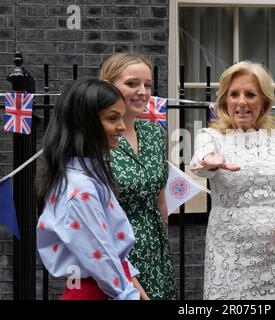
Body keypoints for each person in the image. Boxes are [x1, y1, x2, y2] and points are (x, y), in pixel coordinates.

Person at [190, 61, 275, 300]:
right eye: (234, 94)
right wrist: (210, 161)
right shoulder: (211, 136)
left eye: (250, 94)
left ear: (264, 101)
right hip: (229, 255)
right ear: (224, 100)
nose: (241, 102)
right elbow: (200, 162)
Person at [36, 78, 148, 300]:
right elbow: (101, 257)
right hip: (98, 291)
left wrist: (133, 285)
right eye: (112, 118)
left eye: (121, 117)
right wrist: (128, 293)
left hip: (105, 287)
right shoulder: (80, 188)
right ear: (85, 123)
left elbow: (109, 251)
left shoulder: (85, 177)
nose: (122, 126)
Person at [100, 52, 178, 300]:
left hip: (156, 252)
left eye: (147, 85)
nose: (142, 91)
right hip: (116, 252)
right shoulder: (98, 136)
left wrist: (162, 235)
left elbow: (160, 196)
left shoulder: (154, 132)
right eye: (132, 83)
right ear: (109, 87)